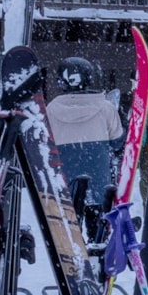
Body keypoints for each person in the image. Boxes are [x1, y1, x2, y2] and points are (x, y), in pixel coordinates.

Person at [44, 56, 122, 208]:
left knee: (68, 227)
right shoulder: (106, 108)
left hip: (65, 186)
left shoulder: (51, 110)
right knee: (98, 225)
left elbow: (45, 146)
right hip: (99, 184)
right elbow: (117, 142)